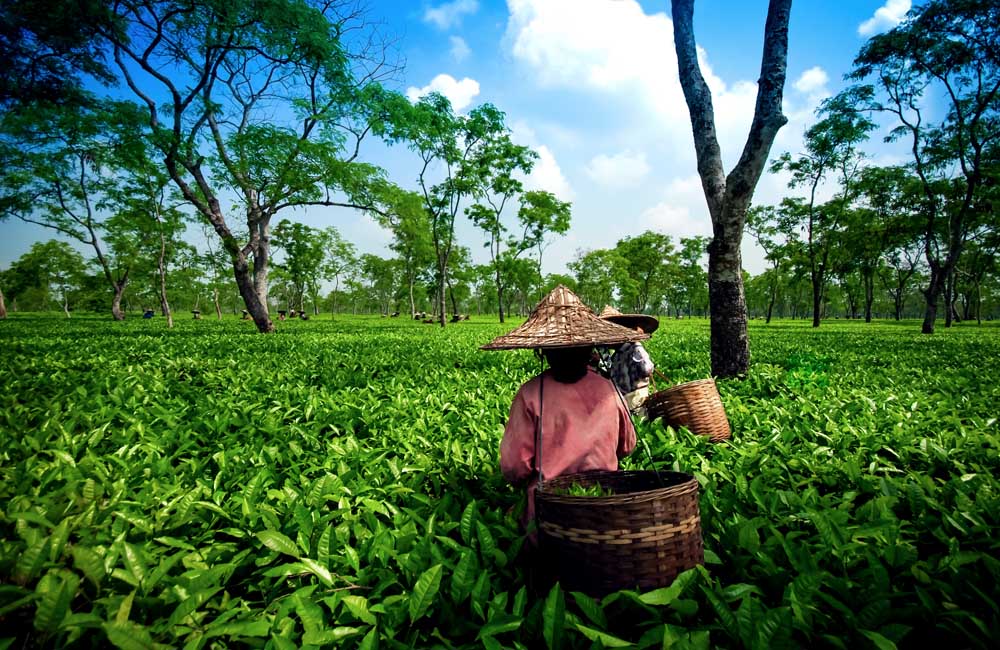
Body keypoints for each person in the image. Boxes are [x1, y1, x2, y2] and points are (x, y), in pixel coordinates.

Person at [481, 286, 649, 534]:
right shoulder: (609, 390)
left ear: (544, 351)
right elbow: (627, 446)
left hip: (549, 513)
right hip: (603, 507)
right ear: (589, 350)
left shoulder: (529, 394)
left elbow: (514, 467)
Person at [597, 306, 659, 415]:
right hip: (621, 402)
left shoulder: (634, 348)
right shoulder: (616, 354)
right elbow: (610, 373)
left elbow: (647, 368)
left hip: (636, 402)